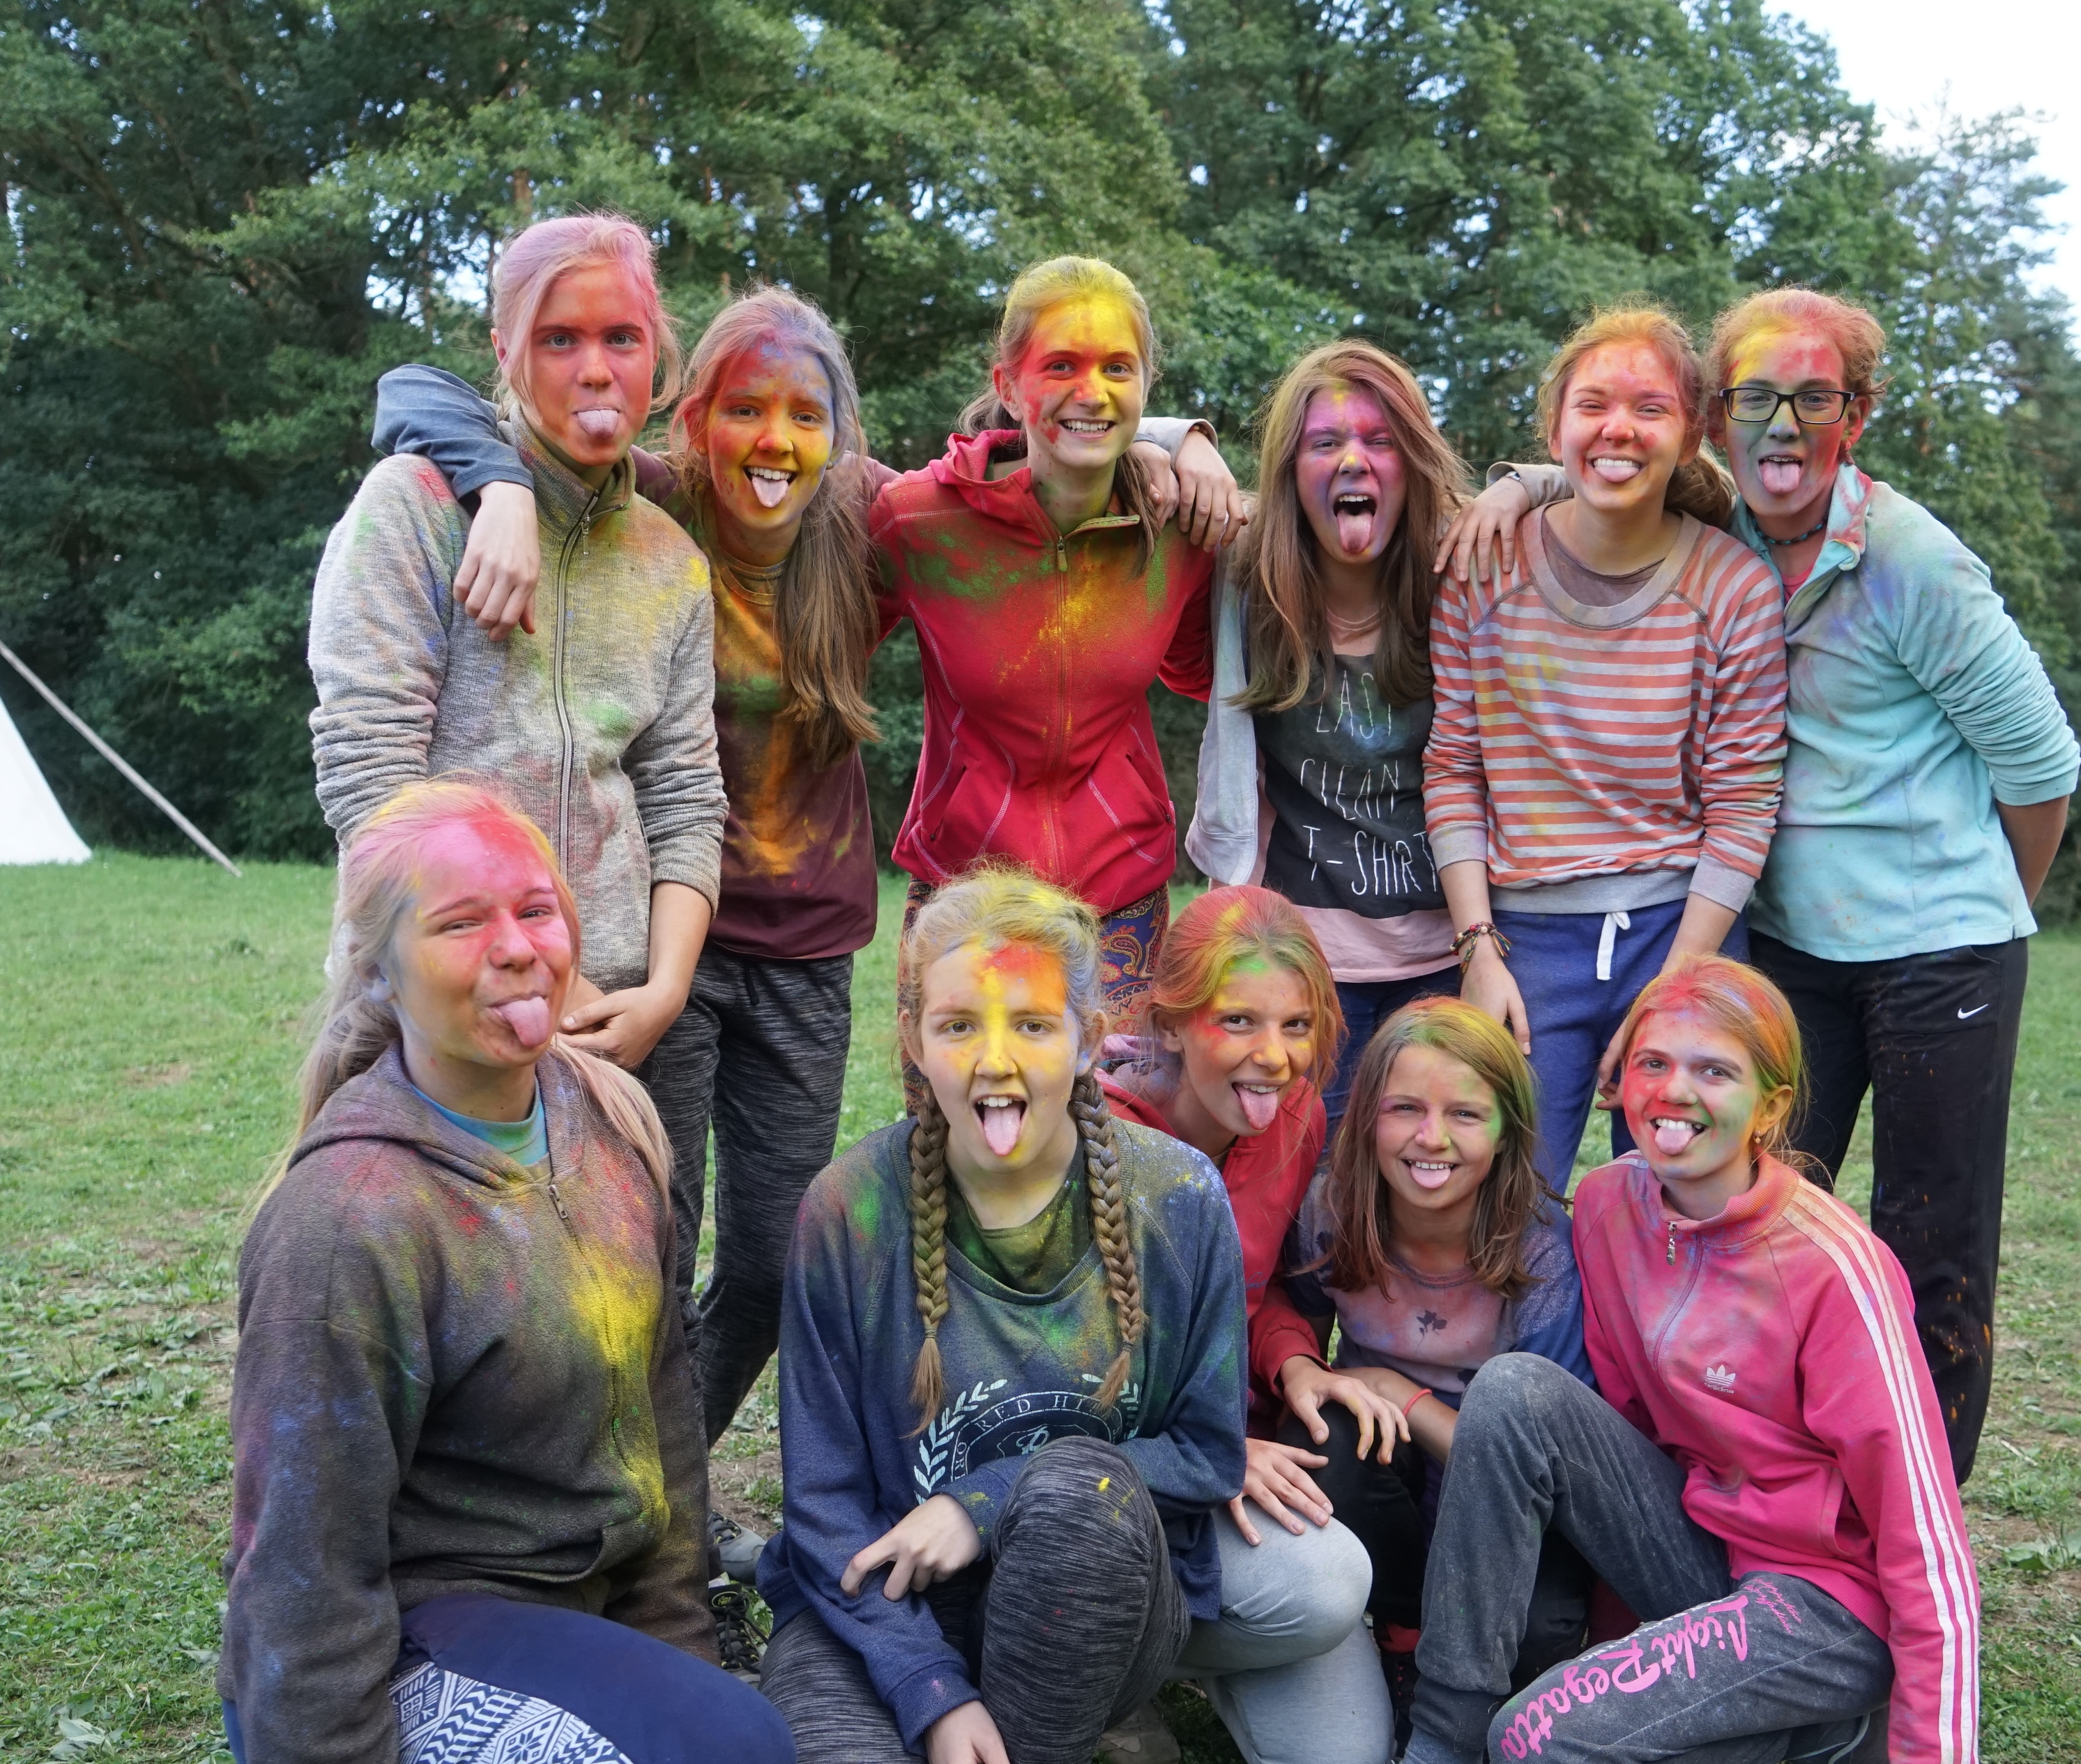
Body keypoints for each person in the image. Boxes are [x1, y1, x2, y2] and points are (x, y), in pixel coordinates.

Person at [368, 287, 1235, 1584]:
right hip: (655, 937)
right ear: (694, 417)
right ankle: (642, 1540)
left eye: (803, 415)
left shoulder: (862, 515)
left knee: (776, 1262)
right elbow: (411, 393)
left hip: (810, 939)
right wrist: (494, 481)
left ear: (838, 430)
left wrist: (1177, 436)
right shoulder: (649, 496)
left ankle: (650, 1497)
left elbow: (1026, 454)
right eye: (744, 410)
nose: (773, 440)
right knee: (644, 1251)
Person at [1242, 957, 1981, 1764]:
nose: (1675, 1092)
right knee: (1514, 1390)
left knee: (1538, 1754)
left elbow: (1929, 1540)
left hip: (1824, 1603)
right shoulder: (1609, 1206)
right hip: (1702, 1549)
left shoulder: (1839, 1269)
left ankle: (1835, 1731)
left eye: (1715, 1071)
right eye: (1654, 1063)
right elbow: (1611, 1440)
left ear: (1772, 1105)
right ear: (1618, 1080)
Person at [739, 871, 1374, 1764]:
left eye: (1032, 1024)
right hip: (887, 1606)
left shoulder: (1177, 1198)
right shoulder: (847, 1212)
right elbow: (826, 1514)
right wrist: (932, 1695)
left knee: (1081, 1492)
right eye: (959, 1025)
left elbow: (1207, 1452)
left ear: (1088, 1039)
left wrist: (982, 1503)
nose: (995, 1059)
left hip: (1099, 1598)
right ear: (913, 1037)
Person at [222, 780, 793, 1764]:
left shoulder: (610, 1119)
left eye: (537, 909)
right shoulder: (349, 1221)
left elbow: (664, 1426)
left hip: (576, 1619)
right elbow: (300, 1589)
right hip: (410, 1645)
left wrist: (681, 1659)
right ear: (377, 971)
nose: (519, 948)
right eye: (460, 922)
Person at [306, 210, 726, 1395]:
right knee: (431, 1320)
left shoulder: (671, 560)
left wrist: (663, 989)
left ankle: (650, 1520)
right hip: (433, 1000)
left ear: (659, 354)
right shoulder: (414, 508)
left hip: (626, 1022)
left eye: (622, 339)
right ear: (503, 349)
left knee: (633, 1320)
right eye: (559, 339)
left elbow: (686, 791)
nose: (595, 370)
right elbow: (371, 775)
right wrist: (537, 971)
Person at [1702, 288, 2079, 1484]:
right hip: (1789, 951)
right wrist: (1519, 484)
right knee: (1760, 1225)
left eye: (1813, 398)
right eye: (1756, 397)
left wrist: (1977, 915)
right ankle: (1771, 1504)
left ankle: (1915, 1527)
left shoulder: (1915, 562)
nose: (1782, 424)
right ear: (1718, 417)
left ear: (1854, 417)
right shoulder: (1710, 529)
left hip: (1940, 953)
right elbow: (1594, 462)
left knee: (1931, 1252)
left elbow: (2041, 766)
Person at [1421, 305, 1789, 1194]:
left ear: (1691, 436)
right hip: (1522, 941)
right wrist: (1478, 950)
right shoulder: (1483, 566)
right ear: (1555, 431)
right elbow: (1454, 766)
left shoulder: (1732, 587)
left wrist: (1678, 982)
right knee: (1506, 1201)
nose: (1618, 429)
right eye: (1593, 405)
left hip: (1682, 927)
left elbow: (1744, 803)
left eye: (1650, 408)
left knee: (1690, 1197)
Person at [874, 257, 1240, 1021]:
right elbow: (827, 651)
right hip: (965, 895)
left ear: (1146, 384)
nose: (1092, 390)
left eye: (1117, 368)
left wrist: (1190, 445)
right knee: (964, 1103)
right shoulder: (919, 522)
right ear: (1008, 386)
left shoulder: (1177, 534)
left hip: (1121, 897)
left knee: (1113, 1103)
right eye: (1061, 366)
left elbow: (1198, 672)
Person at [1093, 882, 1393, 1764]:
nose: (1275, 1056)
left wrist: (1296, 1362)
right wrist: (1212, 1451)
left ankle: (1162, 1647)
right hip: (1113, 1473)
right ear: (1171, 1022)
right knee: (1327, 1587)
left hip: (1229, 1468)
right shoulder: (1090, 1136)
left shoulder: (1294, 1117)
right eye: (1238, 1021)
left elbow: (1259, 1301)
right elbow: (1067, 1370)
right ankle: (1090, 1650)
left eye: (1297, 1026)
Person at [1268, 996, 1592, 1735]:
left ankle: (1466, 1637)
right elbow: (1297, 1330)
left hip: (1512, 1497)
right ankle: (1402, 1630)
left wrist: (1403, 1395)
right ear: (1367, 1117)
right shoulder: (1332, 1211)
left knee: (1537, 1642)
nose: (1431, 1138)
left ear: (1508, 1132)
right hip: (1388, 1476)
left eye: (1465, 1114)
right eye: (1405, 1108)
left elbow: (1551, 1468)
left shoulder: (1541, 1249)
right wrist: (1305, 1369)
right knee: (1321, 1431)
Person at [1182, 342, 1472, 1120]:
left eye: (1381, 441)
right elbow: (1086, 451)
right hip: (1300, 960)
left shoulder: (1466, 569)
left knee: (1424, 1164)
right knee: (1308, 1174)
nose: (1353, 460)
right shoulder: (1244, 573)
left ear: (1414, 464)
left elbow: (1643, 492)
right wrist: (1183, 439)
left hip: (1446, 953)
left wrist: (1521, 485)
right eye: (1325, 442)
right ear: (1289, 470)